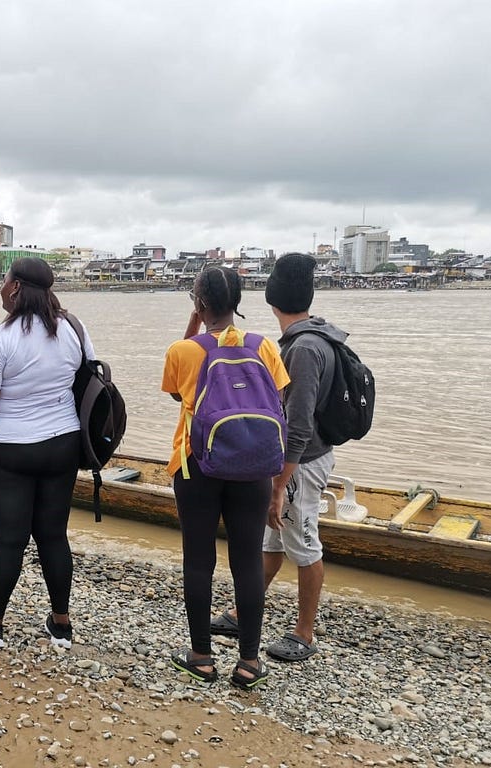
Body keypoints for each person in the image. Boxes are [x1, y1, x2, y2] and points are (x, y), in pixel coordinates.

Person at [161, 266, 289, 688]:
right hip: (253, 464)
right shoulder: (265, 346)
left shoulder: (183, 350)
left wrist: (194, 327)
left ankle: (200, 656)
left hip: (197, 462)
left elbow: (180, 394)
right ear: (238, 301)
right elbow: (275, 399)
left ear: (199, 304)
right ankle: (249, 662)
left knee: (199, 559)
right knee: (247, 559)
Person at [0, 257, 91, 650]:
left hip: (8, 450)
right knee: (53, 536)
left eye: (4, 281)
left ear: (14, 289)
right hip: (63, 443)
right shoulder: (73, 329)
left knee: (10, 540)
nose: (0, 288)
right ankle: (61, 625)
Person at [212, 253, 341, 664]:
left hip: (301, 460)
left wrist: (279, 484)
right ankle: (240, 611)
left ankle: (305, 633)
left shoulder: (302, 349)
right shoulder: (314, 337)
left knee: (303, 542)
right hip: (298, 458)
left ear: (271, 298)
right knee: (273, 538)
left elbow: (298, 424)